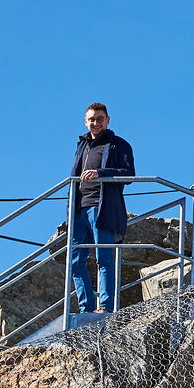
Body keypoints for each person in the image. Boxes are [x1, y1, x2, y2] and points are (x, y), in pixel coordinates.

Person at [67, 102, 135, 316]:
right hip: (79, 208)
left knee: (103, 257)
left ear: (107, 120)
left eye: (99, 119)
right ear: (85, 121)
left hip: (101, 206)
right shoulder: (82, 145)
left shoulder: (118, 145)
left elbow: (129, 173)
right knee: (75, 261)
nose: (95, 123)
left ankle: (105, 307)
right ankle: (86, 307)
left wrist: (100, 172)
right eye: (91, 119)